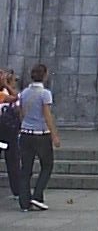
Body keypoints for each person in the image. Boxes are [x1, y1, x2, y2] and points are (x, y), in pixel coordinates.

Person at [18, 64, 60, 212]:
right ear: (45, 75)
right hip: (41, 134)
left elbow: (21, 112)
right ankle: (37, 194)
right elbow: (47, 115)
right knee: (47, 165)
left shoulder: (23, 93)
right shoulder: (45, 93)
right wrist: (54, 135)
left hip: (25, 133)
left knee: (26, 168)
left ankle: (24, 201)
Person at [0, 69, 21, 198]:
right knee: (12, 159)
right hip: (5, 130)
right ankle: (17, 190)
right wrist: (6, 84)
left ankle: (17, 189)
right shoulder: (3, 95)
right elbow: (15, 98)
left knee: (13, 159)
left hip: (8, 130)